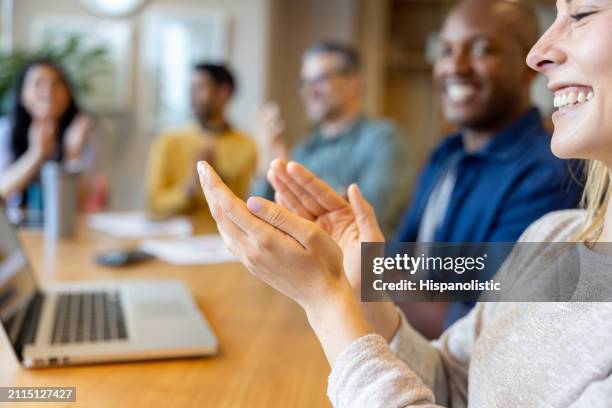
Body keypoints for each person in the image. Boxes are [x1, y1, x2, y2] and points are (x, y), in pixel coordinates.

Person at [196, 0, 612, 405]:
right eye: (445, 50)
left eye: (583, 12)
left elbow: (457, 297)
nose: (539, 54)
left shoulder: (541, 171)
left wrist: (330, 295)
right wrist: (366, 273)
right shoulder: (551, 231)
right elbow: (455, 377)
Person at [392, 0, 583, 335]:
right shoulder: (445, 154)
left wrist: (364, 275)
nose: (456, 66)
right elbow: (398, 256)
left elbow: (481, 327)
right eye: (446, 50)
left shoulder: (550, 174)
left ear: (528, 67)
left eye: (481, 50)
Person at [251, 42, 411, 237]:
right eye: (304, 82)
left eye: (320, 79)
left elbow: (368, 218)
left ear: (354, 82)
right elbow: (259, 218)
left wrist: (295, 194)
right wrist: (267, 159)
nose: (308, 91)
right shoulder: (305, 148)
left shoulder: (385, 140)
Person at [145, 63, 257, 228]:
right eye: (191, 89)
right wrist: (190, 188)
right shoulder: (169, 140)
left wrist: (218, 180)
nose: (192, 96)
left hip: (224, 240)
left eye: (200, 88)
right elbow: (154, 204)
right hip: (174, 239)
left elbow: (248, 206)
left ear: (223, 93)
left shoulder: (248, 146)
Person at [0, 58, 94, 219]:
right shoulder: (6, 130)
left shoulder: (79, 133)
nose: (49, 90)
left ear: (67, 94)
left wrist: (73, 154)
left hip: (63, 227)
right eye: (38, 83)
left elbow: (81, 200)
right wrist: (36, 154)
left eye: (57, 84)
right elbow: (2, 192)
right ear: (23, 93)